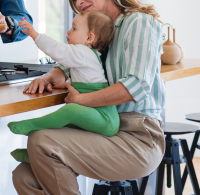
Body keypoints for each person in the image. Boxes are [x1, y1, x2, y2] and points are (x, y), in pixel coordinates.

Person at [12, 0, 165, 195]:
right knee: (25, 177)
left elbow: (135, 86)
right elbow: (69, 64)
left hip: (139, 136)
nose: (79, 0)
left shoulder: (138, 23)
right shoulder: (99, 32)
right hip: (103, 129)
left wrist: (81, 100)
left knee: (41, 141)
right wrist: (48, 78)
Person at [7, 11, 119, 164]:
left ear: (89, 38)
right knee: (64, 131)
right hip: (99, 116)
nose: (68, 31)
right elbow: (86, 82)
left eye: (74, 29)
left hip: (105, 118)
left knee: (71, 111)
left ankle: (32, 125)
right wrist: (67, 84)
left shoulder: (84, 53)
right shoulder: (86, 56)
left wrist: (35, 35)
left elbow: (59, 51)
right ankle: (36, 153)